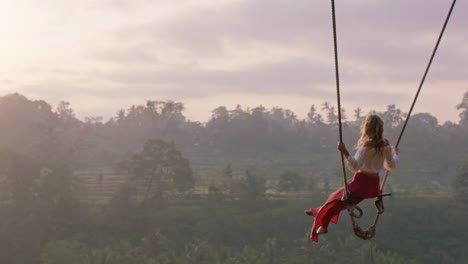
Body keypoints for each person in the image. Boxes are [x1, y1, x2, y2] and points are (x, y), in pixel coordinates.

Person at [305, 114, 399, 242]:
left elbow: (355, 166)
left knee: (335, 199)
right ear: (381, 129)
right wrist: (395, 154)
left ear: (366, 129)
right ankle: (319, 214)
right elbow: (391, 165)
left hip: (360, 184)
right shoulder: (386, 145)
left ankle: (322, 222)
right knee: (340, 201)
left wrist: (344, 151)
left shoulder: (367, 145)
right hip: (373, 187)